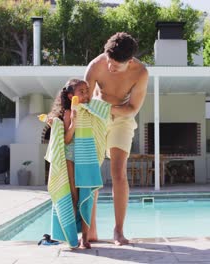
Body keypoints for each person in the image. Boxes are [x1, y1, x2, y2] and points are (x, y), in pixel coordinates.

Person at [84, 32, 148, 245]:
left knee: (118, 172)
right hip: (96, 118)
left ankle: (118, 231)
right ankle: (90, 229)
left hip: (122, 118)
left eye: (116, 66)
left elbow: (132, 108)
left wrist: (106, 108)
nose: (110, 67)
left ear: (129, 62)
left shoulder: (140, 72)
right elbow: (84, 101)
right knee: (92, 172)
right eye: (109, 62)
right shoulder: (96, 66)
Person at [48, 79, 91, 248]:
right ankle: (72, 238)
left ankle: (85, 239)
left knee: (86, 198)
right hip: (70, 159)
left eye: (86, 91)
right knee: (74, 197)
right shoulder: (67, 113)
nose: (86, 95)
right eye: (82, 92)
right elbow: (66, 140)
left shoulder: (87, 111)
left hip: (84, 159)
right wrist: (73, 122)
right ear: (70, 95)